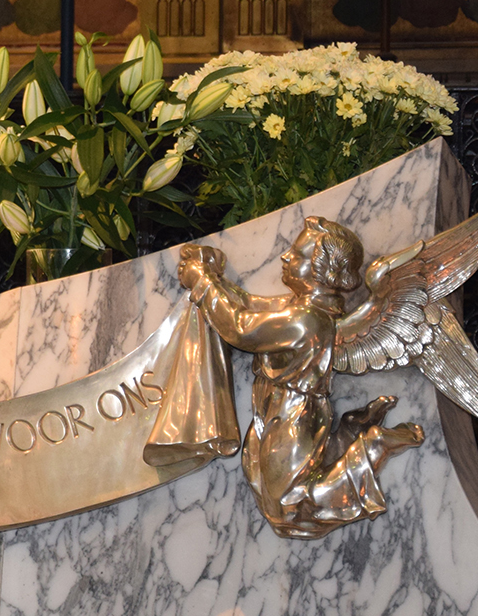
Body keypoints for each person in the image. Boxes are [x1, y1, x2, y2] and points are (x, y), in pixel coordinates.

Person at [177, 222, 424, 539]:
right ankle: (351, 431)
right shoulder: (300, 310)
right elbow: (248, 305)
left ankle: (373, 447)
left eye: (296, 254)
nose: (285, 257)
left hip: (293, 412)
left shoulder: (306, 320)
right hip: (278, 409)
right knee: (268, 484)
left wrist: (201, 282)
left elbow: (241, 327)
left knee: (287, 505)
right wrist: (213, 277)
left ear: (321, 271)